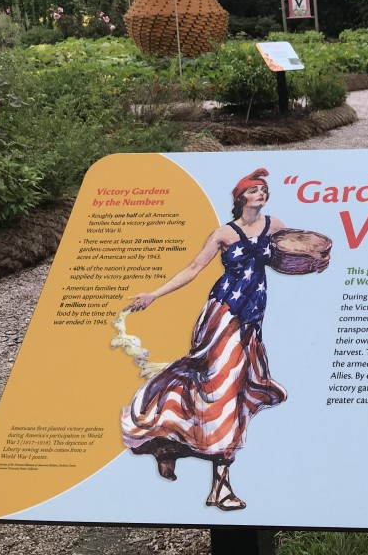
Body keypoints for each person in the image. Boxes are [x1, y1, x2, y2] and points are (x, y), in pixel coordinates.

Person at [121, 168, 291, 511]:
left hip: (251, 321)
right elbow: (193, 269)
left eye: (264, 190)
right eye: (254, 190)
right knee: (221, 393)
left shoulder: (275, 226)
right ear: (240, 198)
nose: (261, 194)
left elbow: (293, 254)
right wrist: (154, 294)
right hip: (222, 315)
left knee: (236, 392)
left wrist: (312, 259)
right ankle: (220, 486)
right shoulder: (223, 234)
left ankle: (171, 444)